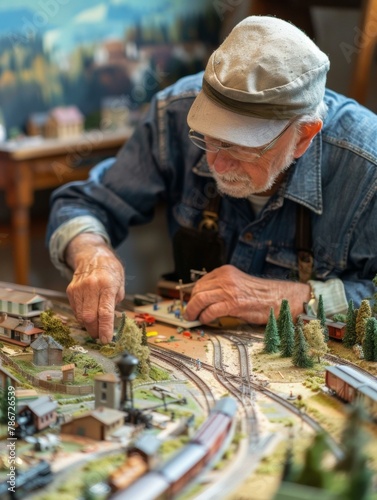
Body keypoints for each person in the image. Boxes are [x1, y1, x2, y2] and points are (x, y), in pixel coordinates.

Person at [47, 16, 377, 344]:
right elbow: (84, 204)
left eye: (241, 147)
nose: (216, 162)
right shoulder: (174, 112)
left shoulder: (366, 166)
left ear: (304, 135)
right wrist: (92, 254)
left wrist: (297, 298)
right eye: (208, 137)